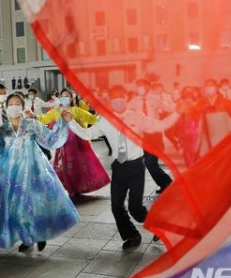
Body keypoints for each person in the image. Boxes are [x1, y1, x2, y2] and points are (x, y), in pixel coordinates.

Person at [64, 85, 185, 249]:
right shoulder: (105, 120)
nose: (117, 100)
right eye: (114, 97)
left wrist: (177, 112)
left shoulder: (137, 117)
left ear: (126, 99)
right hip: (119, 167)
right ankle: (132, 235)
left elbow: (160, 125)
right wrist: (71, 122)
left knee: (135, 207)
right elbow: (87, 134)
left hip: (136, 167)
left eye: (121, 96)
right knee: (116, 206)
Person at [0, 93, 80, 252]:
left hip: (35, 172)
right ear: (6, 108)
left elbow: (51, 140)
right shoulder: (2, 129)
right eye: (10, 103)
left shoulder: (32, 124)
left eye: (17, 103)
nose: (14, 106)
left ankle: (40, 234)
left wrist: (62, 122)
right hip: (12, 175)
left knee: (36, 204)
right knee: (18, 207)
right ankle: (27, 238)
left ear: (22, 106)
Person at [32, 88, 110, 196]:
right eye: (63, 96)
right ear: (59, 98)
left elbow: (92, 119)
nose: (65, 98)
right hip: (63, 143)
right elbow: (45, 119)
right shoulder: (56, 111)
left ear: (71, 98)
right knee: (65, 165)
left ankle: (77, 186)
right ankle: (69, 187)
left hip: (77, 142)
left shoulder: (76, 110)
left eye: (67, 96)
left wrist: (103, 116)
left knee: (79, 165)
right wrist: (34, 116)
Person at [128, 79, 174, 194]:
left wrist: (178, 104)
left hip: (154, 135)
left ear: (148, 86)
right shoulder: (135, 101)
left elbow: (168, 108)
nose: (139, 88)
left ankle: (166, 181)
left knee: (150, 162)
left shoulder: (155, 99)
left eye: (141, 86)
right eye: (138, 86)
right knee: (149, 163)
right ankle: (165, 182)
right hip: (141, 136)